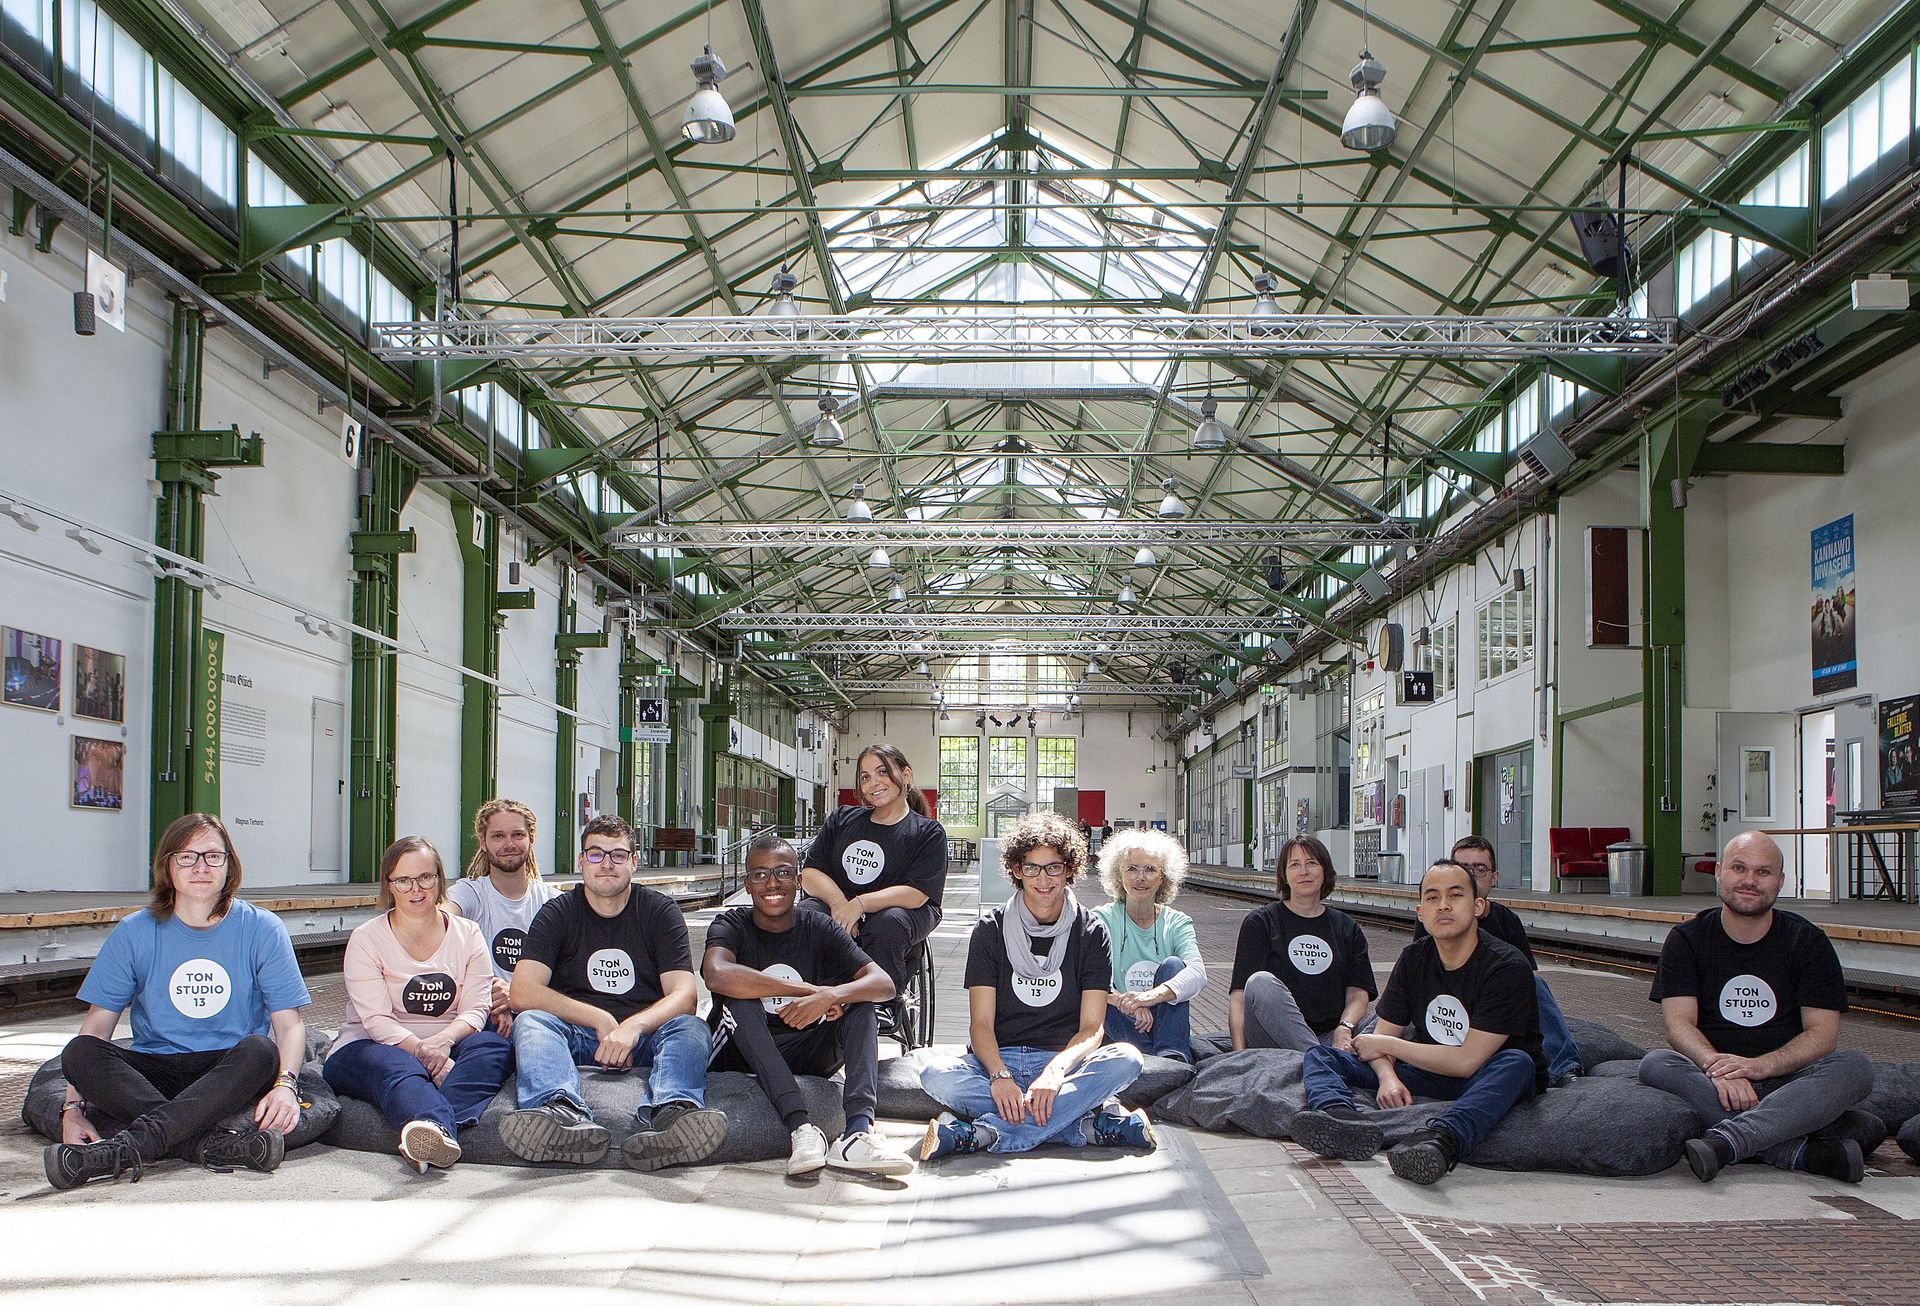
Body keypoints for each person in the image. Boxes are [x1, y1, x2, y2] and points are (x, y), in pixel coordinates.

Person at [45, 814, 310, 1190]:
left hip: (228, 1069)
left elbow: (290, 1025)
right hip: (156, 1068)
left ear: (229, 864)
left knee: (262, 1049)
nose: (201, 867)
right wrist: (72, 1109)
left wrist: (286, 1085)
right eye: (187, 857)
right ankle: (206, 1145)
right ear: (167, 866)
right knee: (79, 1052)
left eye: (213, 856)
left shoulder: (261, 928)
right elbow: (97, 1027)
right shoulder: (135, 931)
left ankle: (122, 1150)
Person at [1289, 859, 1545, 1186]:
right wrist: (1387, 1078)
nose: (1444, 906)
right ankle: (1341, 1120)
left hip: (1486, 1074)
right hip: (1427, 1067)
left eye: (1455, 895)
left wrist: (1388, 1047)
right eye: (1433, 897)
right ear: (1420, 912)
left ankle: (1441, 1140)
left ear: (1478, 906)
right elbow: (1381, 1038)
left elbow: (1467, 1061)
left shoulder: (1507, 966)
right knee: (1323, 1054)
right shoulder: (1414, 958)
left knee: (1518, 1063)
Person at [1638, 832, 1874, 1183]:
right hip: (1713, 1082)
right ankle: (1798, 1152)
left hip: (1789, 1082)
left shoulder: (1806, 942)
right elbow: (1679, 1025)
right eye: (1739, 868)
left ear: (1780, 881)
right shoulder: (1687, 940)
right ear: (1719, 872)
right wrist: (1718, 1069)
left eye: (1763, 872)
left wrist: (1759, 1066)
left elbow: (1823, 1036)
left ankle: (1728, 1141)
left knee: (1855, 1067)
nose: (1749, 881)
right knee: (1657, 1063)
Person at [919, 812, 1153, 1159]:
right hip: (997, 1061)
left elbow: (1092, 1029)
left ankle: (984, 1133)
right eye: (1032, 867)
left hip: (1063, 1064)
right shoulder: (990, 930)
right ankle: (1079, 1125)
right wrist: (999, 1076)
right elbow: (980, 1025)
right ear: (1016, 870)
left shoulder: (1090, 932)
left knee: (1127, 1059)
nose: (1043, 879)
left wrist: (1055, 1073)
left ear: (1070, 868)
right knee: (934, 1073)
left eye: (1053, 867)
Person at [503, 813, 724, 1170]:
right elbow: (523, 991)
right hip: (581, 1036)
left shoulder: (659, 911)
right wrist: (599, 1019)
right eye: (595, 854)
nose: (606, 864)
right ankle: (560, 1114)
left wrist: (631, 1028)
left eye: (618, 855)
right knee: (531, 1022)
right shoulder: (557, 912)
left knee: (692, 1026)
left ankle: (673, 1116)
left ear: (634, 862)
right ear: (581, 861)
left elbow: (684, 995)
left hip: (647, 1038)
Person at [703, 833, 915, 1177]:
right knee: (738, 1002)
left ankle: (858, 1133)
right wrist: (808, 991)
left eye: (783, 873)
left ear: (799, 881)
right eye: (760, 875)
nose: (772, 883)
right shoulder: (733, 924)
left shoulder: (818, 926)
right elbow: (716, 974)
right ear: (747, 883)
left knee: (858, 1005)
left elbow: (884, 984)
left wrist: (832, 996)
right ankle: (801, 1128)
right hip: (741, 1049)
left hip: (805, 1047)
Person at [323, 836, 511, 1174]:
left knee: (494, 1047)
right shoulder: (367, 938)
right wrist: (427, 1054)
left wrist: (444, 1042)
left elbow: (476, 1008)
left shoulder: (468, 934)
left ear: (439, 879)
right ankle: (435, 1124)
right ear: (389, 885)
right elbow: (377, 1021)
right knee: (398, 1067)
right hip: (373, 1046)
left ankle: (428, 1133)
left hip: (448, 1042)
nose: (417, 889)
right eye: (404, 880)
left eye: (426, 877)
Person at [1413, 836, 1582, 1085]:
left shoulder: (1507, 921)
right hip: (1451, 998)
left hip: (1499, 1003)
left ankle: (1564, 1067)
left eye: (1479, 869)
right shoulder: (1435, 917)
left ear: (1494, 877)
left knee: (1536, 985)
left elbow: (1525, 978)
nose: (1471, 875)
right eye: (1463, 868)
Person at [800, 744, 947, 1007]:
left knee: (889, 922)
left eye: (882, 772)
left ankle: (881, 1004)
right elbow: (810, 873)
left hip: (902, 912)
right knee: (808, 913)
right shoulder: (843, 819)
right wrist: (839, 906)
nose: (873, 783)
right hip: (841, 907)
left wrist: (859, 905)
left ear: (905, 775)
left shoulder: (927, 832)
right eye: (865, 776)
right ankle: (815, 994)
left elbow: (915, 894)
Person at [1228, 835, 1376, 1052]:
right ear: (1284, 876)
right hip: (1273, 1039)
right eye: (1294, 865)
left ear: (1325, 870)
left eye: (1312, 863)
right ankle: (1324, 1063)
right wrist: (1239, 1056)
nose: (1304, 871)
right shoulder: (1261, 923)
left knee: (1397, 1016)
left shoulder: (1346, 927)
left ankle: (1322, 1059)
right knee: (1260, 983)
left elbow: (1358, 994)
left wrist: (1344, 1029)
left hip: (1331, 1038)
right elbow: (1240, 997)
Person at [1090, 828, 1205, 1063]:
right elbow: (1088, 978)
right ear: (1119, 875)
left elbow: (1197, 973)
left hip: (1165, 1022)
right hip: (1121, 1024)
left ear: (1162, 877)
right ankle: (1164, 1061)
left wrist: (1149, 998)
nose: (1140, 878)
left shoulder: (1177, 922)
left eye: (1150, 869)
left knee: (1174, 965)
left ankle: (1170, 1057)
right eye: (1131, 869)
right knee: (1100, 993)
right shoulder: (1100, 919)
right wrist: (1131, 1005)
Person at [446, 797, 558, 1036]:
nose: (509, 844)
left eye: (517, 835)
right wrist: (489, 989)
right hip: (484, 1008)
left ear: (531, 839)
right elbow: (439, 920)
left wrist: (518, 995)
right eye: (498, 836)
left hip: (537, 1013)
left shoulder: (552, 901)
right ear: (483, 843)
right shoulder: (470, 893)